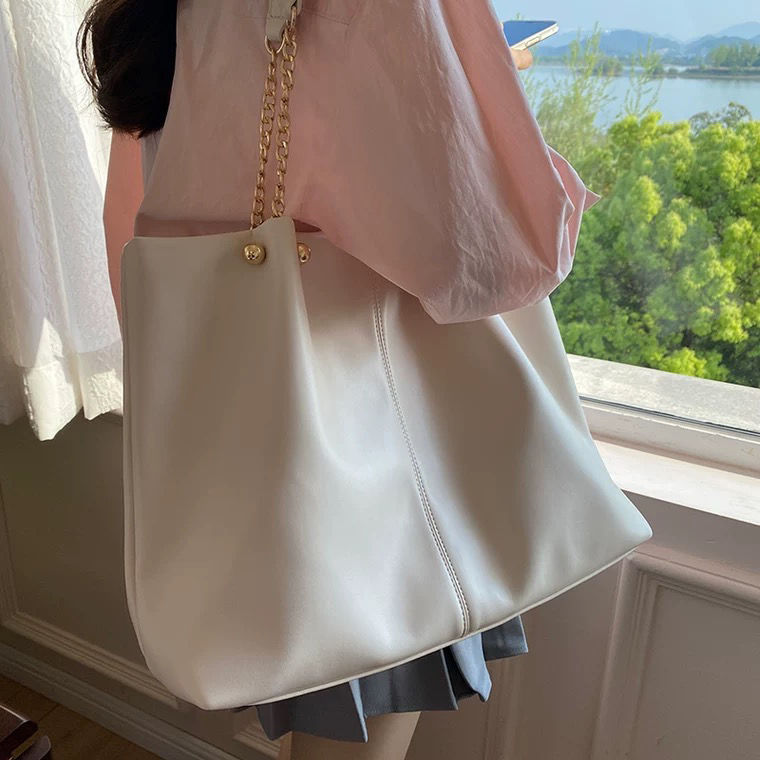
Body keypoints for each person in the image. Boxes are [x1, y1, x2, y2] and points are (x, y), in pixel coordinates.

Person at [79, 2, 597, 758]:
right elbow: (495, 257)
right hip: (376, 459)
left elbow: (131, 224)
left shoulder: (160, 10)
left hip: (241, 435)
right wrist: (480, 86)